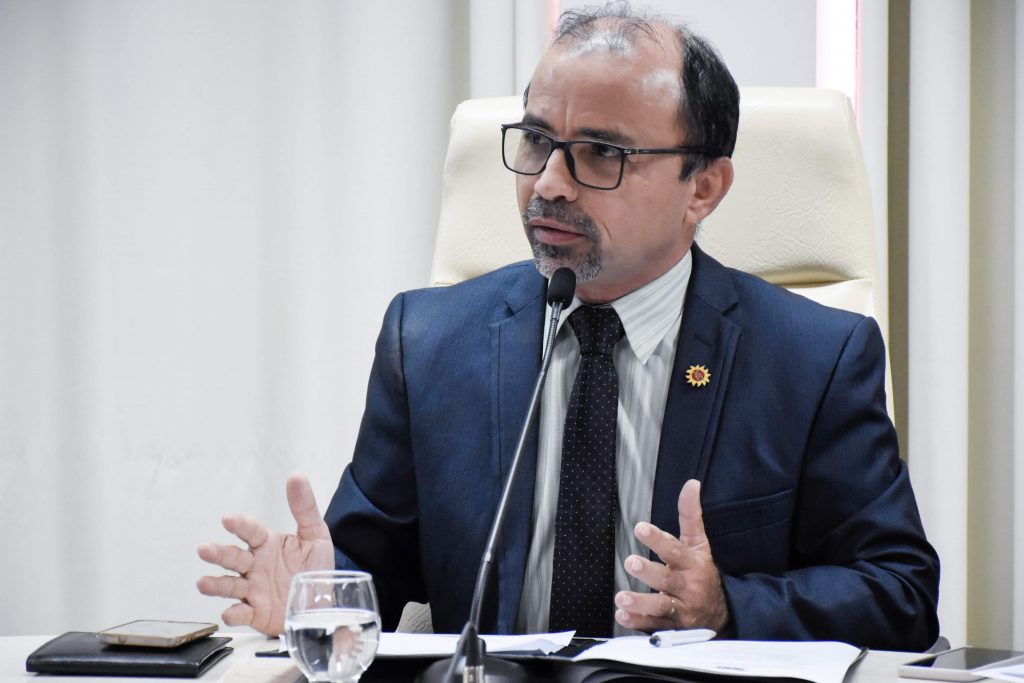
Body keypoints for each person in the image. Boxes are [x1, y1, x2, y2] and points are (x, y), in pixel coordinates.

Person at [198, 2, 940, 651]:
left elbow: (900, 594)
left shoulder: (813, 358)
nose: (549, 183)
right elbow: (373, 570)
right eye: (535, 141)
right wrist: (319, 593)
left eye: (602, 153)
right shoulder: (426, 343)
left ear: (704, 188)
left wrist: (726, 605)